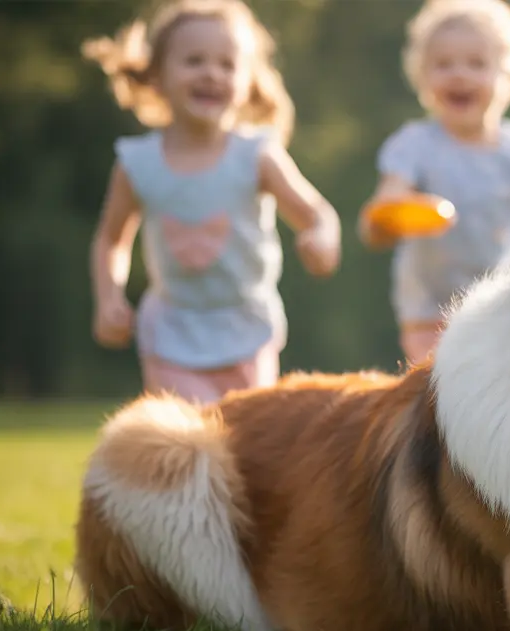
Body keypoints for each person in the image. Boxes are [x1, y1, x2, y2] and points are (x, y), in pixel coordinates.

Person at [84, 0, 341, 404]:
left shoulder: (257, 156)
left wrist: (322, 239)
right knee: (191, 438)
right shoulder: (138, 164)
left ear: (248, 81)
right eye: (194, 60)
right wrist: (108, 297)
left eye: (227, 64)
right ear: (156, 77)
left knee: (247, 446)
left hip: (247, 328)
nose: (211, 73)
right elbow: (111, 240)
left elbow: (316, 213)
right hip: (172, 333)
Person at [359, 0, 510, 365]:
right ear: (421, 77)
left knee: (496, 389)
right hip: (428, 309)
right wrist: (387, 218)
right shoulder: (414, 145)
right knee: (434, 396)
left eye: (477, 63)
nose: (459, 75)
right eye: (443, 64)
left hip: (503, 306)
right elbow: (387, 202)